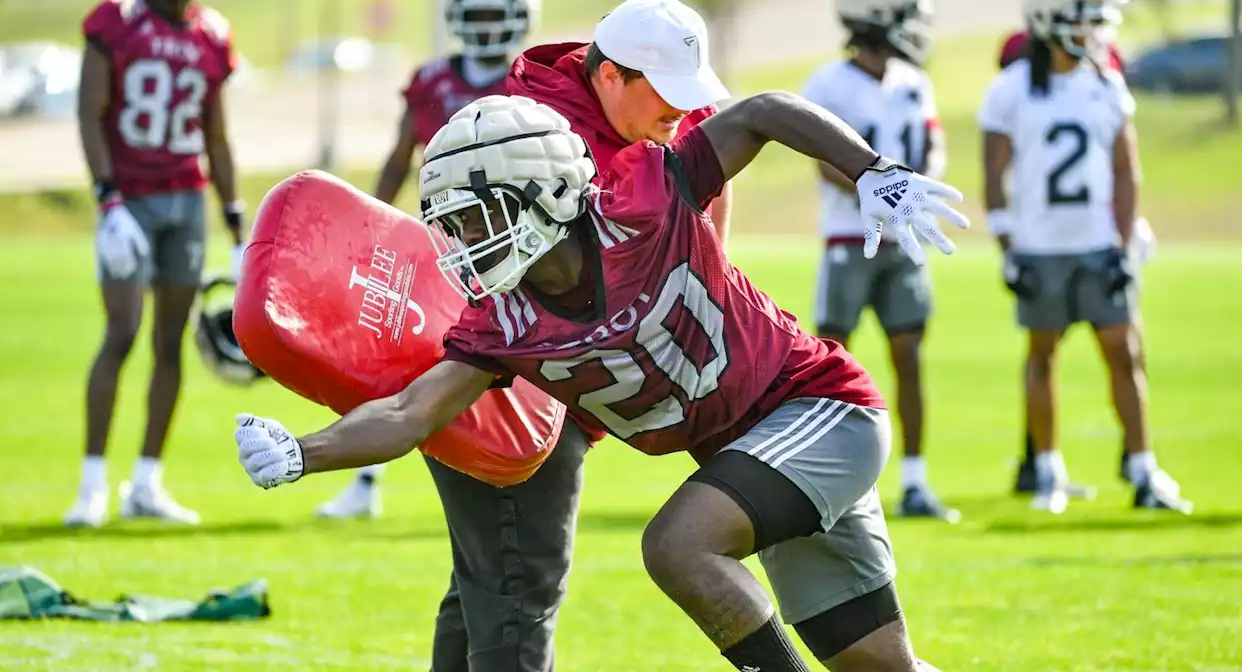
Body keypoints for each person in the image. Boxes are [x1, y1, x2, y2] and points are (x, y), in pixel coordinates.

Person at [232, 92, 967, 670]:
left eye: (481, 214)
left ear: (543, 193)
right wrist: (306, 452)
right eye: (455, 222)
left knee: (678, 546)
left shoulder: (646, 198)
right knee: (882, 666)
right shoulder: (503, 323)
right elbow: (407, 414)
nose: (465, 240)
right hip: (757, 461)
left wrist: (870, 168)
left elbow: (763, 112)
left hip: (819, 408)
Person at [318, 0, 535, 520]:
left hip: (508, 249)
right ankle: (366, 476)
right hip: (438, 244)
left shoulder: (532, 79)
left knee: (497, 362)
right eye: (476, 16)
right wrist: (369, 220)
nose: (485, 28)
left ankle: (509, 468)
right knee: (397, 354)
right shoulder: (431, 81)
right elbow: (400, 155)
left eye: (493, 16)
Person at [979, 0, 1191, 514]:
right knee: (1042, 356)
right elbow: (994, 175)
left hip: (1097, 242)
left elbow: (1127, 170)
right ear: (1049, 22)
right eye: (1078, 18)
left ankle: (1144, 469)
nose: (1089, 29)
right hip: (1040, 244)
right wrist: (1007, 246)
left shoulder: (1106, 84)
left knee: (1124, 352)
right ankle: (1048, 472)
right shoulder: (1011, 89)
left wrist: (1123, 241)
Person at [65, 0, 243, 528]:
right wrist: (107, 200)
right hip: (129, 198)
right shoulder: (116, 21)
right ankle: (91, 484)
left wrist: (235, 224)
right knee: (121, 331)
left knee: (169, 342)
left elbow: (216, 135)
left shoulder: (211, 32)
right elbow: (88, 112)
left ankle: (147, 481)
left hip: (186, 199)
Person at [801, 0, 957, 522]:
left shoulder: (914, 80)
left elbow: (932, 146)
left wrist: (912, 191)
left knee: (910, 356)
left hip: (902, 241)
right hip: (851, 234)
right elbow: (824, 162)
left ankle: (915, 480)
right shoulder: (828, 83)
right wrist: (882, 192)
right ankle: (809, 471)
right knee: (830, 359)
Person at [504, 0, 733, 246]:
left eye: (689, 88)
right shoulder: (536, 137)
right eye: (669, 90)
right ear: (611, 75)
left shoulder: (698, 118)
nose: (685, 108)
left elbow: (713, 250)